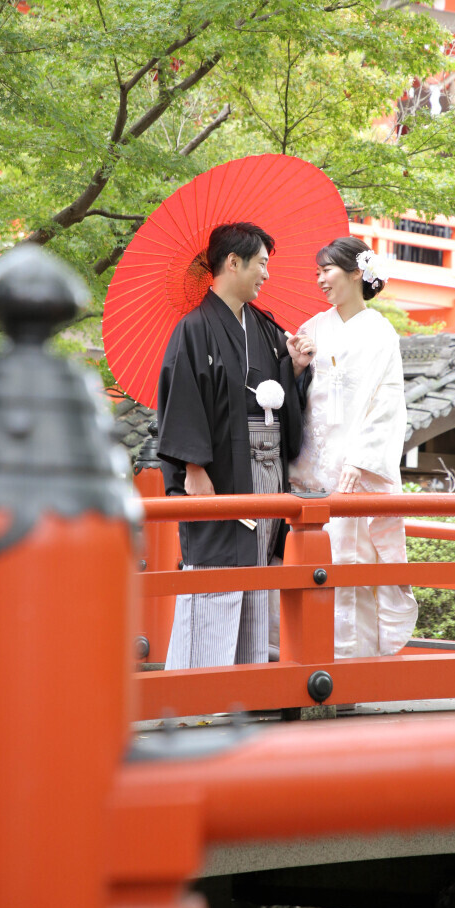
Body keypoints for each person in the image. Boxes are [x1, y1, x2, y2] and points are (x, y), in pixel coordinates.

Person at [157, 222, 315, 669]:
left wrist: (297, 369)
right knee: (217, 566)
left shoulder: (265, 328)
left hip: (265, 466)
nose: (266, 274)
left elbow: (279, 392)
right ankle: (197, 685)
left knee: (257, 569)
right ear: (232, 262)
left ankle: (244, 684)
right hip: (219, 469)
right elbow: (183, 396)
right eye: (261, 263)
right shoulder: (194, 328)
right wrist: (192, 468)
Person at [289, 236, 418, 658]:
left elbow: (388, 403)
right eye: (318, 272)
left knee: (356, 562)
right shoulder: (312, 328)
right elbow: (293, 399)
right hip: (309, 465)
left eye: (327, 270)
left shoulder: (381, 332)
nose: (320, 280)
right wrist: (294, 368)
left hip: (355, 470)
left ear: (357, 272)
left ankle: (353, 666)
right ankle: (302, 659)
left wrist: (362, 460)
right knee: (307, 562)